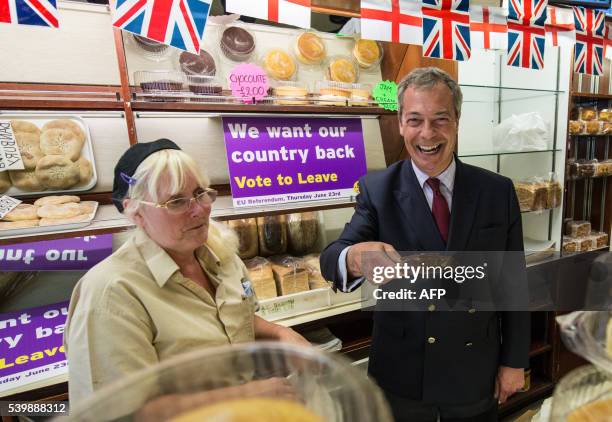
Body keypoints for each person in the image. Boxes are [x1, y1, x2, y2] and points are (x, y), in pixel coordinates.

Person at [320, 68, 529, 422]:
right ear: (400, 122)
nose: (427, 134)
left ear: (457, 121)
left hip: (473, 368)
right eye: (415, 120)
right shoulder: (377, 189)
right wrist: (355, 257)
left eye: (440, 120)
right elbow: (333, 257)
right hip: (402, 374)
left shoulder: (497, 191)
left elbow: (514, 284)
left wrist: (514, 361)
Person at [64, 139, 309, 407]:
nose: (200, 209)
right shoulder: (111, 293)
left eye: (200, 192)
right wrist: (243, 396)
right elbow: (122, 411)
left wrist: (279, 334)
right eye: (177, 201)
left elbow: (236, 319)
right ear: (136, 212)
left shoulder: (221, 256)